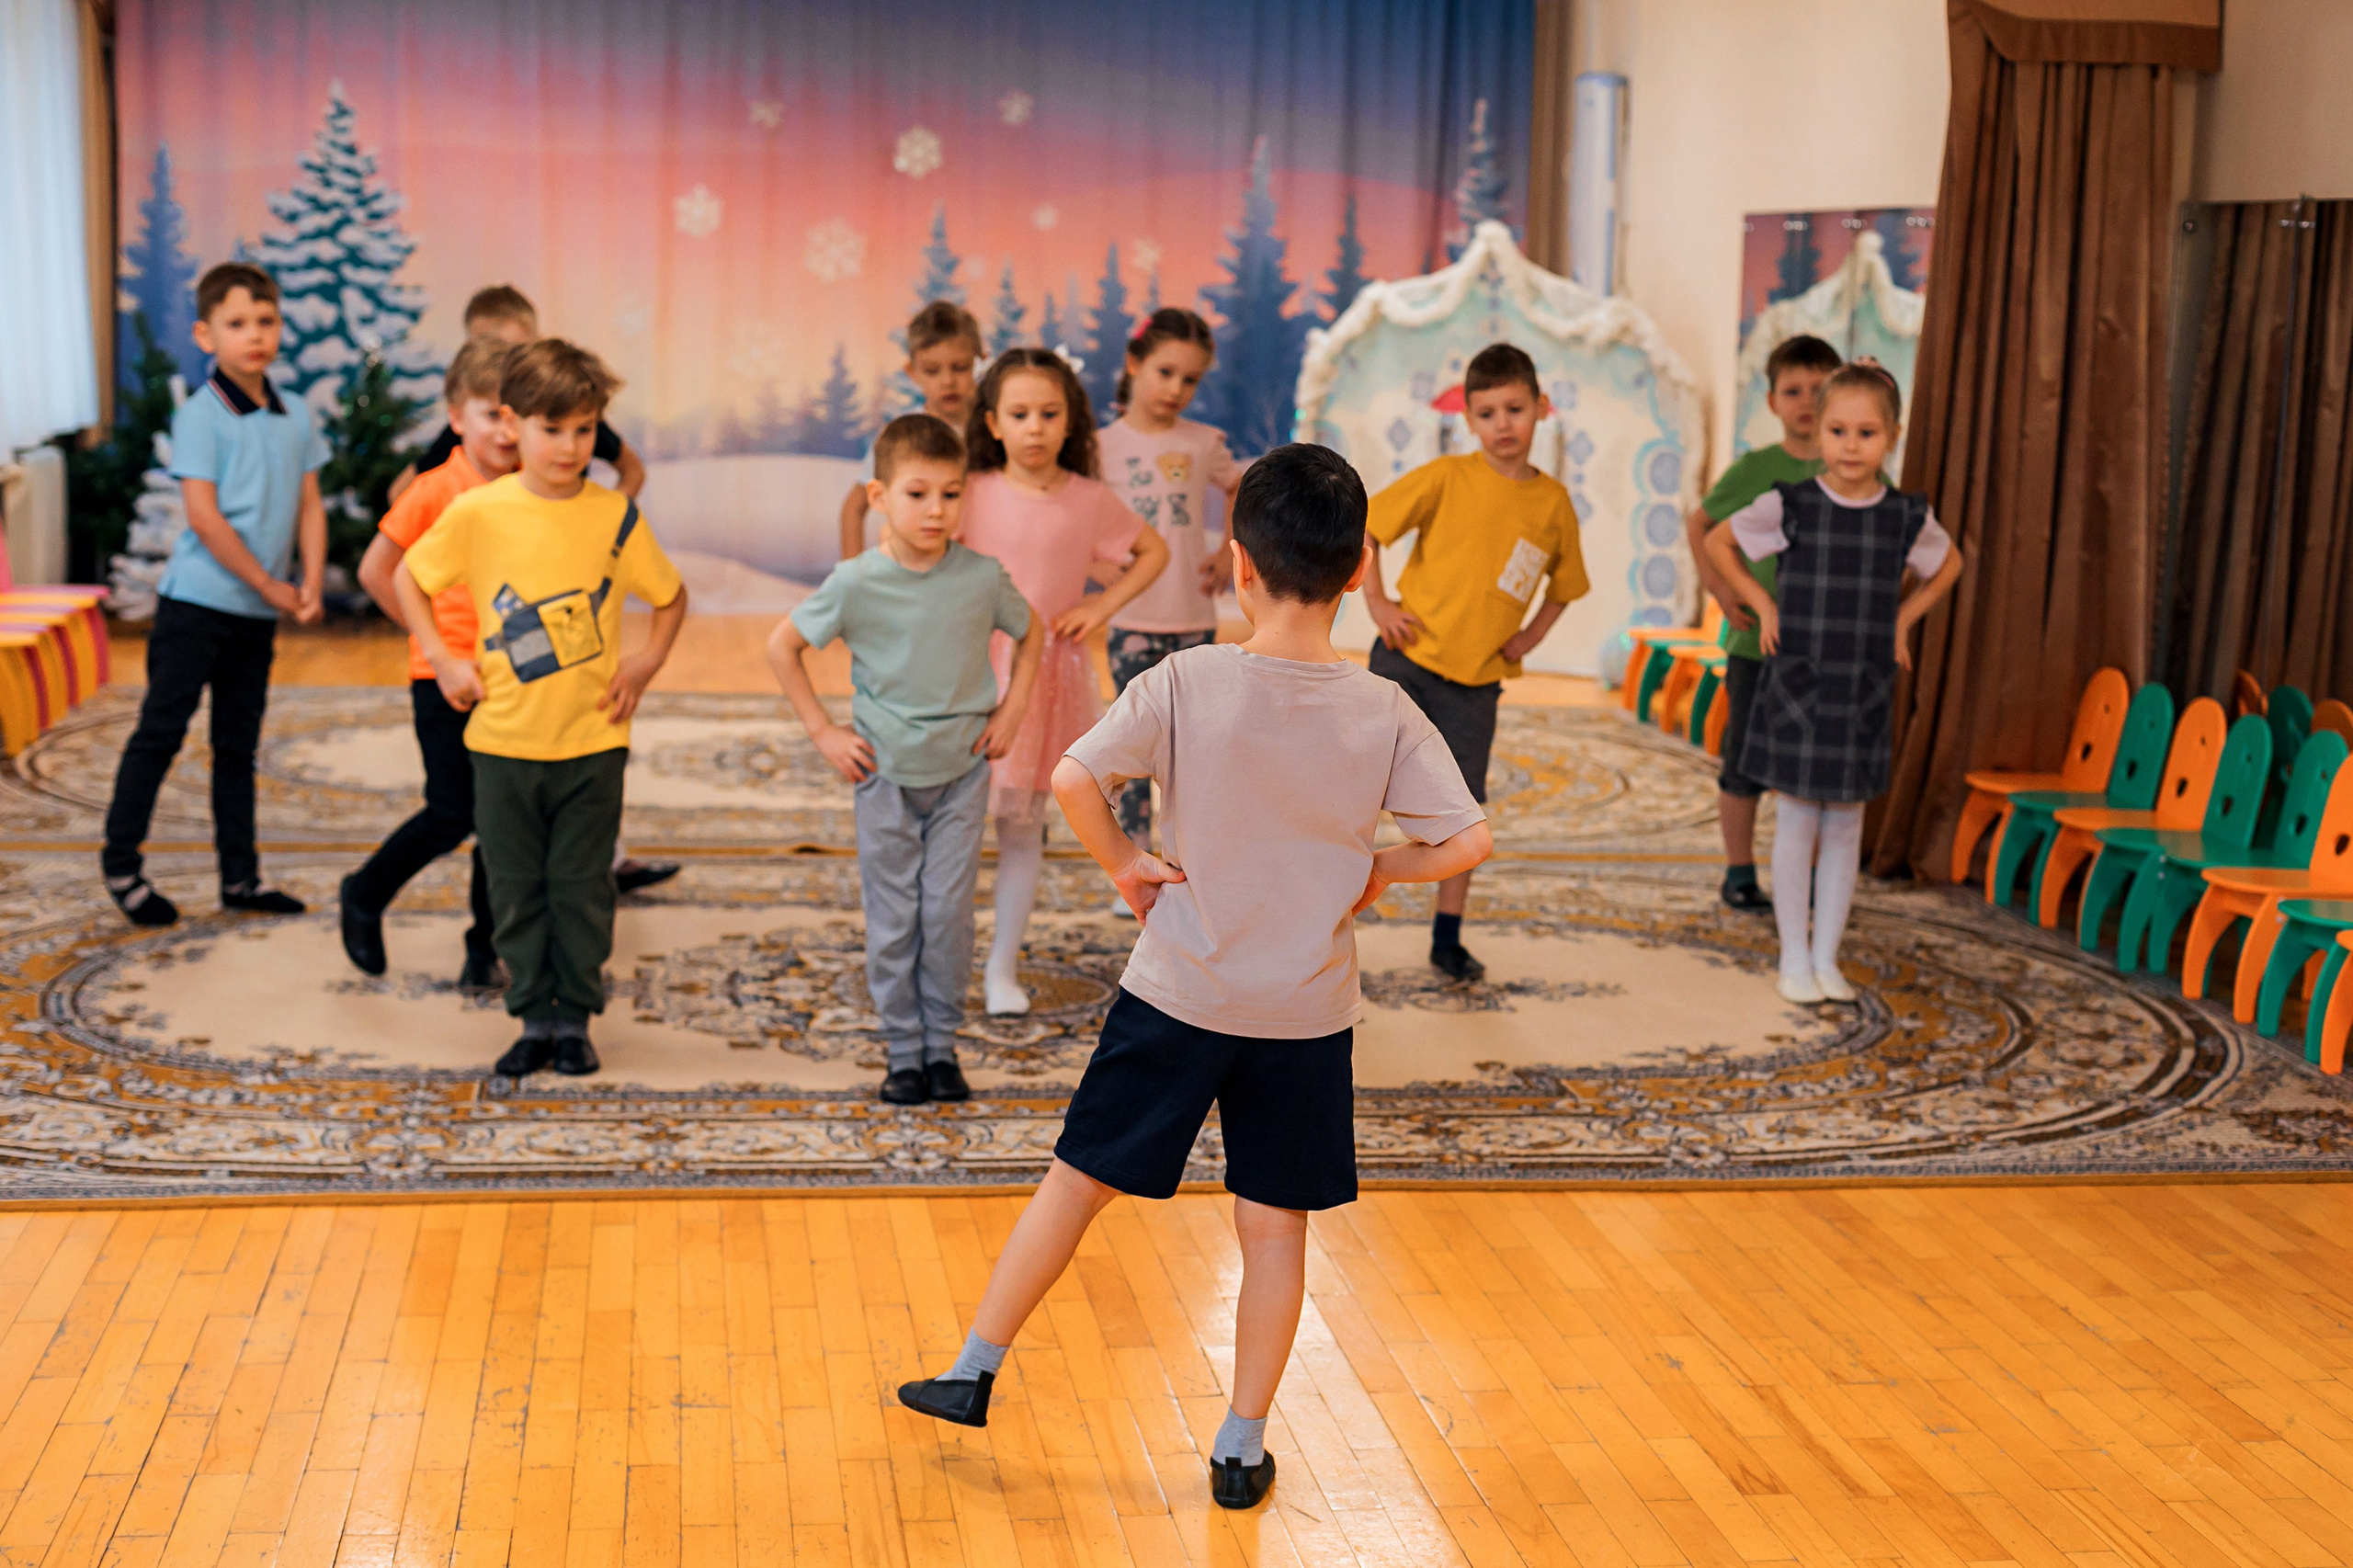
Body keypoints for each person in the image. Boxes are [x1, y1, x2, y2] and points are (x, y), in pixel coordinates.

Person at [893, 443, 1493, 1512]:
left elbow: (1077, 775)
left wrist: (1127, 864)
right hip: (1305, 1014)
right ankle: (1239, 1442)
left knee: (1078, 1180)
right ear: (1357, 571)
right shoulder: (1383, 710)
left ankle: (973, 1368)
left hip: (1178, 990)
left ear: (1238, 565)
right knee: (1272, 1227)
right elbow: (1464, 843)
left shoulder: (1186, 678)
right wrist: (1376, 868)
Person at [394, 340, 688, 1076]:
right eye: (551, 429)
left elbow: (671, 596)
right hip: (500, 743)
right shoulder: (479, 512)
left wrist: (645, 662)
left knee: (583, 891)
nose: (569, 447)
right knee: (516, 890)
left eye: (584, 430)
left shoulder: (616, 516)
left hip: (593, 742)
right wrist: (441, 655)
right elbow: (409, 577)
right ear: (511, 423)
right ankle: (532, 1019)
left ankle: (575, 1020)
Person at [769, 415, 1044, 1104]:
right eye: (918, 494)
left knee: (946, 913)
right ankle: (903, 1052)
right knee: (895, 918)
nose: (937, 510)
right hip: (884, 774)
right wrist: (823, 730)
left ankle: (941, 1048)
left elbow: (1031, 632)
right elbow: (782, 647)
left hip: (961, 773)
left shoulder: (981, 577)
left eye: (952, 494)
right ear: (879, 497)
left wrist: (1011, 711)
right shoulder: (856, 582)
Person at [392, 285, 673, 893]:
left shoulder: (561, 449)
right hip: (466, 664)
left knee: (569, 751)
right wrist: (434, 645)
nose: (567, 442)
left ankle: (583, 874)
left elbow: (631, 486)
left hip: (553, 668)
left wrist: (597, 536)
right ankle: (450, 919)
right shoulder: (462, 480)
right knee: (475, 805)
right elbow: (398, 559)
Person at [1704, 361, 1963, 1004]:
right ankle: (1794, 957)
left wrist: (1903, 617)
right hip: (1798, 683)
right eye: (1839, 430)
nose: (1852, 445)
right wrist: (1762, 607)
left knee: (1846, 825)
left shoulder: (1904, 515)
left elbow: (1950, 564)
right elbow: (1718, 542)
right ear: (1819, 433)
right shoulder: (1791, 504)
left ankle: (1827, 958)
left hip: (1864, 686)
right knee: (1796, 821)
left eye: (1867, 432)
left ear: (1892, 437)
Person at [101, 261, 325, 927]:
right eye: (236, 324)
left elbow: (309, 505)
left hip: (257, 615)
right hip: (197, 605)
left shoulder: (297, 415)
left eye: (265, 321)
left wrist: (309, 583)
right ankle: (121, 862)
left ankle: (241, 877)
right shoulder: (202, 416)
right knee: (162, 732)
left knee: (238, 745)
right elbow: (203, 517)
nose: (253, 335)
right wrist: (270, 585)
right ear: (206, 335)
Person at [1360, 342, 1588, 983]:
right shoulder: (1444, 478)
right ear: (1469, 420)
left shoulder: (1553, 505)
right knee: (1353, 785)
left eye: (1515, 409)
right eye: (1487, 413)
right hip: (1405, 662)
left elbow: (1565, 588)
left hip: (1476, 684)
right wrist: (1377, 603)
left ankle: (1448, 935)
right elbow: (1368, 528)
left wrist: (1530, 640)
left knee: (1462, 813)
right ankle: (1322, 901)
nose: (1503, 425)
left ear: (1541, 409)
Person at [956, 348, 1168, 1016]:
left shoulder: (1088, 499)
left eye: (1049, 414)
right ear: (992, 422)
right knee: (957, 826)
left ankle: (1000, 969)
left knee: (1022, 828)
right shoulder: (969, 491)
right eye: (1019, 415)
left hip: (1048, 678)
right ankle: (943, 957)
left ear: (1070, 420)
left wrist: (1100, 607)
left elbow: (1153, 551)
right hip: (969, 673)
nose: (1035, 428)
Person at [339, 335, 519, 987]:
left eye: (513, 414)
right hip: (442, 678)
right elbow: (376, 569)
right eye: (489, 413)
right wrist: (434, 648)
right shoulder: (433, 488)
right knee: (454, 812)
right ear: (456, 417)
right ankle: (365, 890)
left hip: (512, 678)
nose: (504, 428)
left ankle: (484, 945)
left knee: (499, 815)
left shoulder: (533, 489)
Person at [1685, 334, 1841, 914]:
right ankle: (1740, 870)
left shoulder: (1848, 468)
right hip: (1755, 647)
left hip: (1827, 653)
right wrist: (1721, 592)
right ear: (1773, 402)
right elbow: (1699, 524)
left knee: (1816, 770)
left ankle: (1815, 873)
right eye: (1792, 390)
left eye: (1819, 389)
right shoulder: (1757, 469)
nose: (1806, 401)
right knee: (1744, 760)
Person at [1099, 308, 1245, 850]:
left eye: (1190, 379)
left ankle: (1186, 856)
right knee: (1134, 748)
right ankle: (1133, 857)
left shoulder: (1205, 442)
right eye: (1165, 372)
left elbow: (1237, 487)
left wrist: (1224, 550)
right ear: (1134, 364)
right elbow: (1082, 519)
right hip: (1131, 619)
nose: (1176, 389)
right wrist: (1099, 569)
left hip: (1192, 620)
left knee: (1190, 748)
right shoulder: (1100, 446)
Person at [386, 286, 646, 504]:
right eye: (489, 351)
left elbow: (632, 471)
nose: (505, 366)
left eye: (517, 353)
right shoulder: (472, 429)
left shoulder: (569, 414)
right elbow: (400, 492)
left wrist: (603, 525)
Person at [835, 301, 983, 561]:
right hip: (923, 571)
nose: (948, 381)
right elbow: (853, 508)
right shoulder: (901, 436)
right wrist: (851, 580)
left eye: (959, 367)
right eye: (932, 370)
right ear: (912, 372)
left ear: (980, 362)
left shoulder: (997, 427)